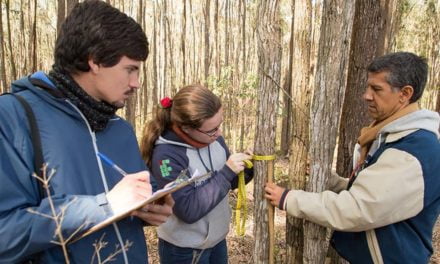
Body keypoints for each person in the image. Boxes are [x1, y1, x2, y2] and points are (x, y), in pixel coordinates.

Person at [0, 1, 173, 263]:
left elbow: (129, 199)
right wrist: (103, 206)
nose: (136, 83)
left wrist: (150, 208)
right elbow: (6, 234)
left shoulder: (120, 129)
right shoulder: (14, 118)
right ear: (95, 61)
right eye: (130, 69)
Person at [265, 52, 440, 263]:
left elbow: (358, 209)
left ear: (405, 94)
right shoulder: (390, 136)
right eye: (368, 87)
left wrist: (289, 199)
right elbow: (380, 195)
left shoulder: (414, 151)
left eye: (376, 89)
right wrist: (334, 182)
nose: (366, 95)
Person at [140, 84, 253, 264]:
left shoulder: (213, 139)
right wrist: (226, 172)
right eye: (212, 130)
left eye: (220, 125)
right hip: (184, 250)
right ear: (186, 128)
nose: (219, 133)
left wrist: (247, 168)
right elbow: (188, 210)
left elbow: (224, 185)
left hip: (216, 242)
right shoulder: (166, 158)